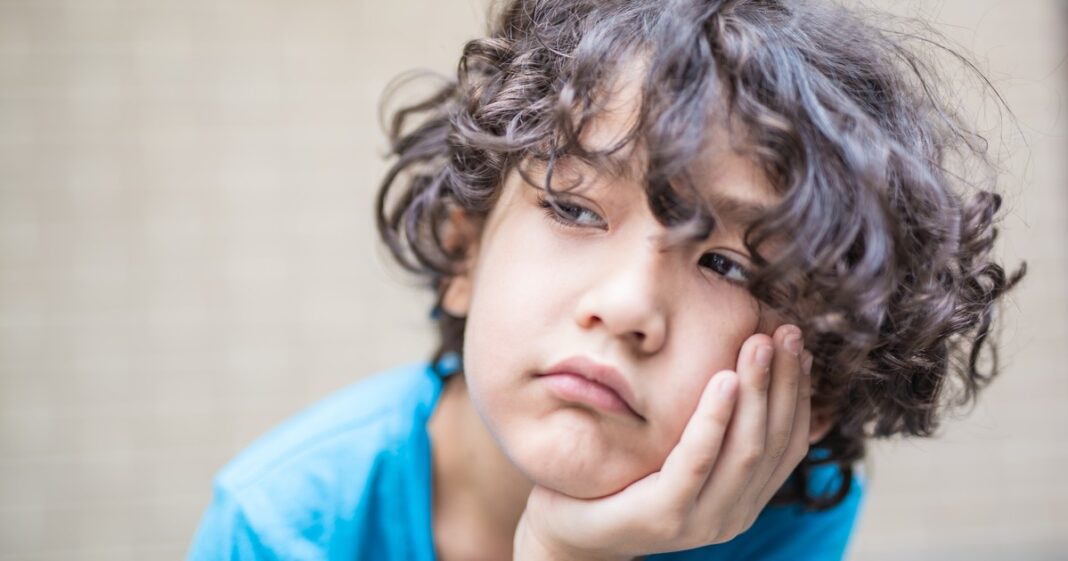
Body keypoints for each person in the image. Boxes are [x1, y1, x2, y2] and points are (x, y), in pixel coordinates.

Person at [187, 0, 1025, 559]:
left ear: (820, 393)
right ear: (464, 250)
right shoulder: (285, 524)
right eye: (577, 211)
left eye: (726, 264)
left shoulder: (781, 512)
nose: (625, 307)